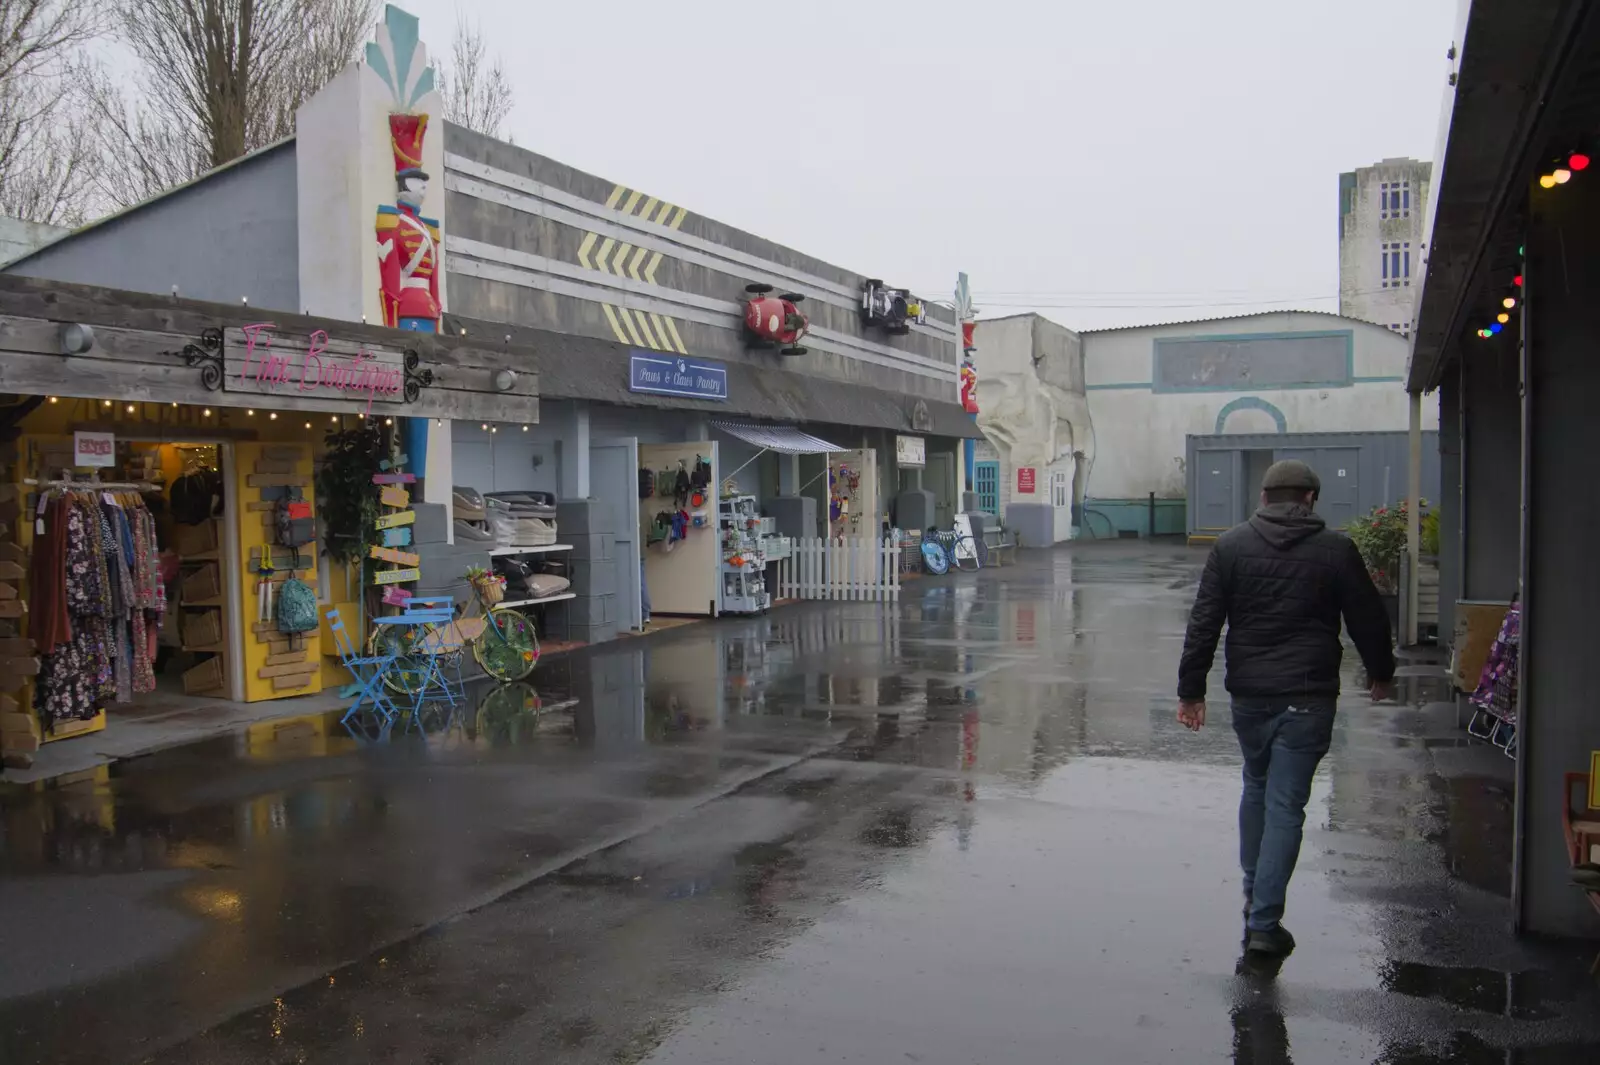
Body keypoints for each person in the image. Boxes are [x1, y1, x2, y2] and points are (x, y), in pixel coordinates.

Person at [1177, 459, 1395, 958]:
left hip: (1249, 696)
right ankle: (1264, 923)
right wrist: (1381, 672)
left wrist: (1191, 693)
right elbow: (1368, 615)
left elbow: (1204, 623)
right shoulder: (1335, 551)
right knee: (1285, 805)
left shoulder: (1230, 547)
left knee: (1256, 785)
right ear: (1311, 499)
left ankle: (1256, 892)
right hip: (1308, 697)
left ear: (1265, 499)